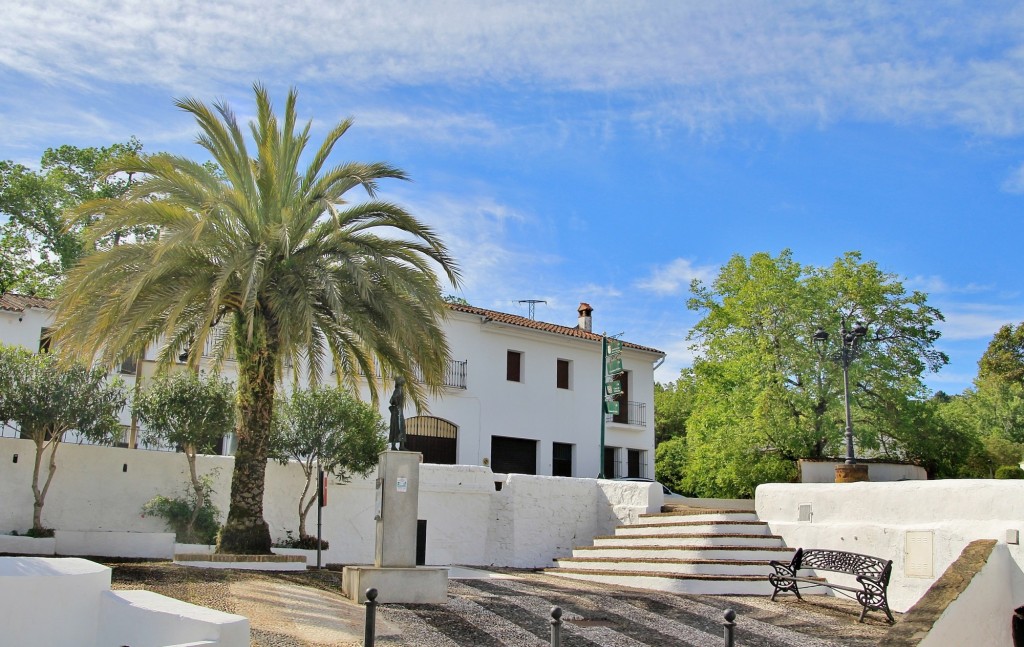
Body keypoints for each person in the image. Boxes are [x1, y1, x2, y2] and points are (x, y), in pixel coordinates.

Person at [388, 377, 406, 450]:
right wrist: (396, 403)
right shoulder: (398, 390)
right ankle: (400, 446)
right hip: (398, 411)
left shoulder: (399, 390)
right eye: (402, 381)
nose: (404, 382)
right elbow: (392, 400)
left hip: (398, 411)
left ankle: (397, 445)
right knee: (399, 428)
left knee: (398, 428)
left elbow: (392, 399)